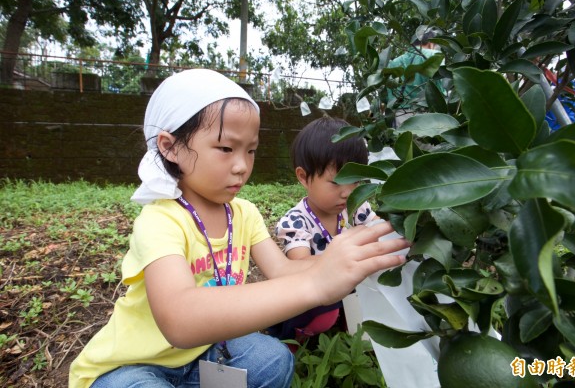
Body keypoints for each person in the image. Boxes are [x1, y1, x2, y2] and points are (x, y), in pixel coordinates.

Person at [68, 69, 409, 388]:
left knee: (273, 361)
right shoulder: (161, 220)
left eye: (251, 150)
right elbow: (179, 320)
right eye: (226, 149)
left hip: (205, 351)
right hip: (132, 366)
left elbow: (284, 270)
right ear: (170, 147)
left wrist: (344, 256)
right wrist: (317, 283)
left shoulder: (243, 213)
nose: (242, 166)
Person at [268, 117, 378, 342]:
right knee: (321, 312)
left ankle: (349, 331)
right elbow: (300, 270)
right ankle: (298, 341)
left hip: (351, 290)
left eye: (355, 182)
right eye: (336, 182)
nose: (347, 192)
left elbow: (380, 235)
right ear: (303, 177)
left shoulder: (358, 207)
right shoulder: (296, 222)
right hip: (315, 297)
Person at [386, 30, 444, 126]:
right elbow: (441, 87)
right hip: (427, 114)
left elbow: (390, 92)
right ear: (431, 44)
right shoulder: (435, 56)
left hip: (400, 114)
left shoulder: (394, 63)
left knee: (405, 140)